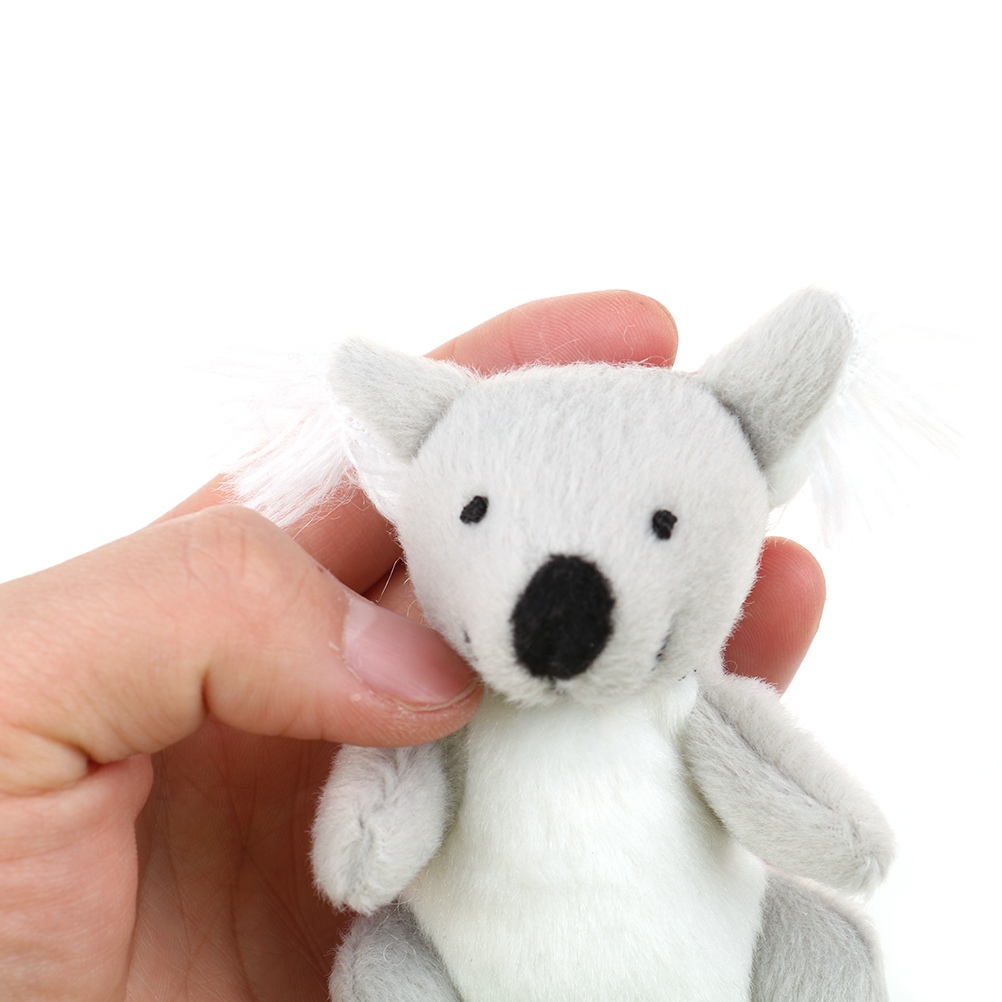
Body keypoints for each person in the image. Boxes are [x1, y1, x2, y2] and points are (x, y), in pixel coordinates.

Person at [0, 291, 825, 1001]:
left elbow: (823, 829)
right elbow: (368, 851)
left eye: (663, 524)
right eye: (478, 515)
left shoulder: (692, 710)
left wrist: (832, 835)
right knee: (383, 965)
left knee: (821, 946)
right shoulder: (438, 707)